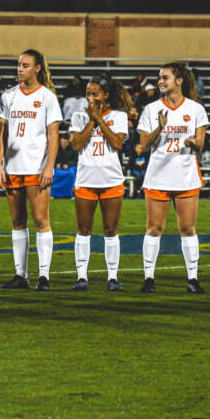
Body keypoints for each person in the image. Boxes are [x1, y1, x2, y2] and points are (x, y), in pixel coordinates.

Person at [136, 63, 209, 293]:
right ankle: (149, 279)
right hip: (158, 175)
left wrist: (192, 142)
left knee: (188, 229)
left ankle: (193, 280)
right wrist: (160, 128)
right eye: (159, 77)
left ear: (179, 80)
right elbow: (143, 145)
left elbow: (200, 145)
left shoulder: (196, 109)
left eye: (165, 77)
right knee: (153, 228)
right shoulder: (151, 109)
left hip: (186, 175)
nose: (160, 81)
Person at [0, 50, 62, 291]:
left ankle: (44, 275)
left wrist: (49, 166)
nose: (20, 69)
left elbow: (53, 135)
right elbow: (2, 134)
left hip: (36, 167)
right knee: (17, 221)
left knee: (41, 220)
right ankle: (20, 275)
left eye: (25, 65)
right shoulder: (8, 96)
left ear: (37, 69)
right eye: (19, 65)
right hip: (13, 167)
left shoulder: (47, 97)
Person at [69, 76, 132, 291]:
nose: (90, 98)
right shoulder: (78, 116)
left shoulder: (119, 116)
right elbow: (77, 145)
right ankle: (82, 277)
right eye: (88, 94)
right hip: (86, 179)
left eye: (95, 94)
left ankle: (112, 277)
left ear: (105, 95)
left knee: (111, 229)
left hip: (111, 179)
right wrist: (91, 121)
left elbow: (116, 143)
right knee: (83, 229)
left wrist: (99, 119)